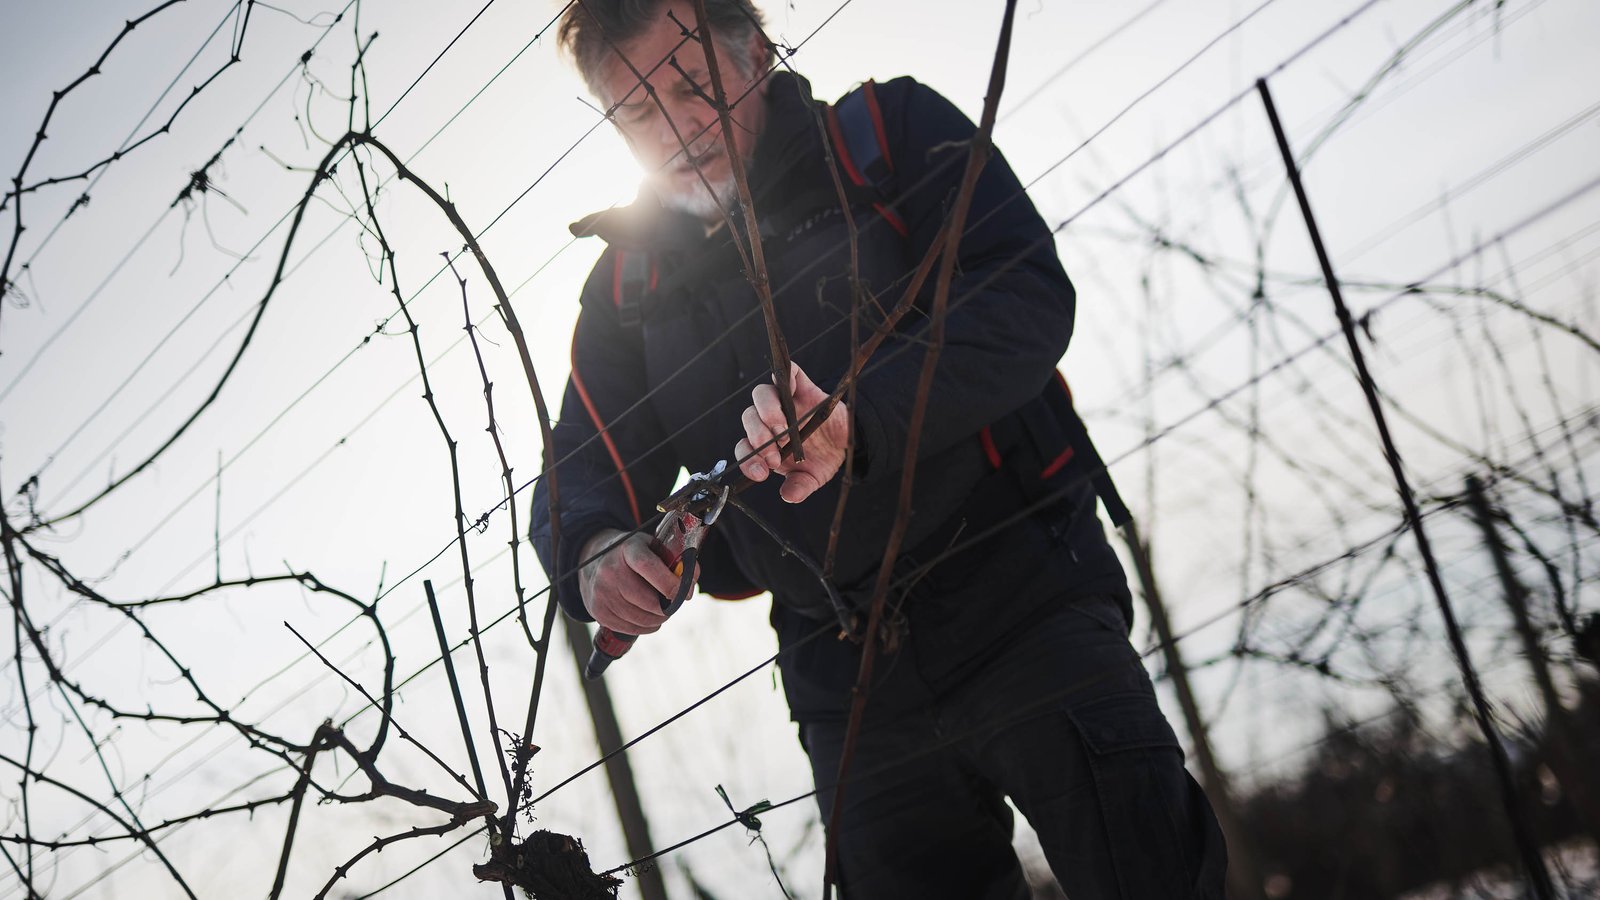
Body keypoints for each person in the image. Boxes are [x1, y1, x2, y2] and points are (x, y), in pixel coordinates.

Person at [531, 1, 1229, 896]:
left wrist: (861, 421)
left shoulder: (885, 138)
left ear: (756, 50)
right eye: (635, 111)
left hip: (1019, 588)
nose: (677, 127)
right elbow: (578, 467)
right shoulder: (627, 289)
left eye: (694, 83)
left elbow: (1025, 297)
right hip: (838, 669)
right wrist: (594, 554)